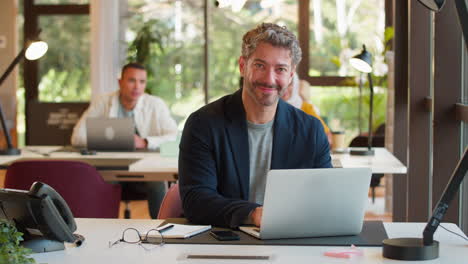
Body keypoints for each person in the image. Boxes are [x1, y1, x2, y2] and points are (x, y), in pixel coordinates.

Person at [179, 23, 332, 228]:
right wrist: (252, 214)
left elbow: (326, 200)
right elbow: (196, 201)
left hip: (291, 241)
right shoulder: (203, 124)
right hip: (224, 241)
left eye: (280, 69)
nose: (269, 79)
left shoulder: (311, 131)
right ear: (243, 66)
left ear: (291, 74)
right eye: (260, 65)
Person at [71, 62, 178, 218]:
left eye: (142, 82)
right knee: (102, 182)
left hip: (147, 167)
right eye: (131, 80)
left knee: (157, 181)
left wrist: (145, 142)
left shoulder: (155, 104)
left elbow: (175, 138)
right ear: (120, 82)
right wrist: (114, 140)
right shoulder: (102, 102)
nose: (137, 87)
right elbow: (77, 137)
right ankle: (103, 228)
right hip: (112, 167)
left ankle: (161, 229)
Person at [281, 73, 332, 143]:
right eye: (281, 84)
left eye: (289, 85)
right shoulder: (269, 108)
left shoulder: (305, 107)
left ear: (296, 85)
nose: (285, 89)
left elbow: (326, 136)